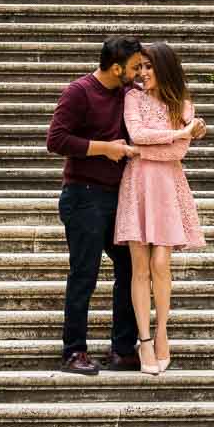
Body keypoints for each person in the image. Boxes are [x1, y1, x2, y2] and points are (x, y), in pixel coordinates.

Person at [46, 36, 144, 375]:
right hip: (84, 195)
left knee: (131, 267)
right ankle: (74, 352)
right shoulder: (79, 92)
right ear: (116, 67)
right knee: (84, 274)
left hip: (119, 196)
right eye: (134, 68)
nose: (139, 73)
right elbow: (55, 140)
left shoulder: (130, 94)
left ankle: (123, 349)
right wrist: (104, 148)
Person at [114, 42, 207, 375]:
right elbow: (136, 134)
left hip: (167, 188)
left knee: (161, 262)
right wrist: (179, 132)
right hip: (137, 186)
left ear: (164, 67)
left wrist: (150, 146)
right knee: (139, 266)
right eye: (140, 67)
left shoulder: (183, 105)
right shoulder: (132, 98)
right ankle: (144, 340)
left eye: (149, 67)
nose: (142, 73)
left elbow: (177, 154)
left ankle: (163, 331)